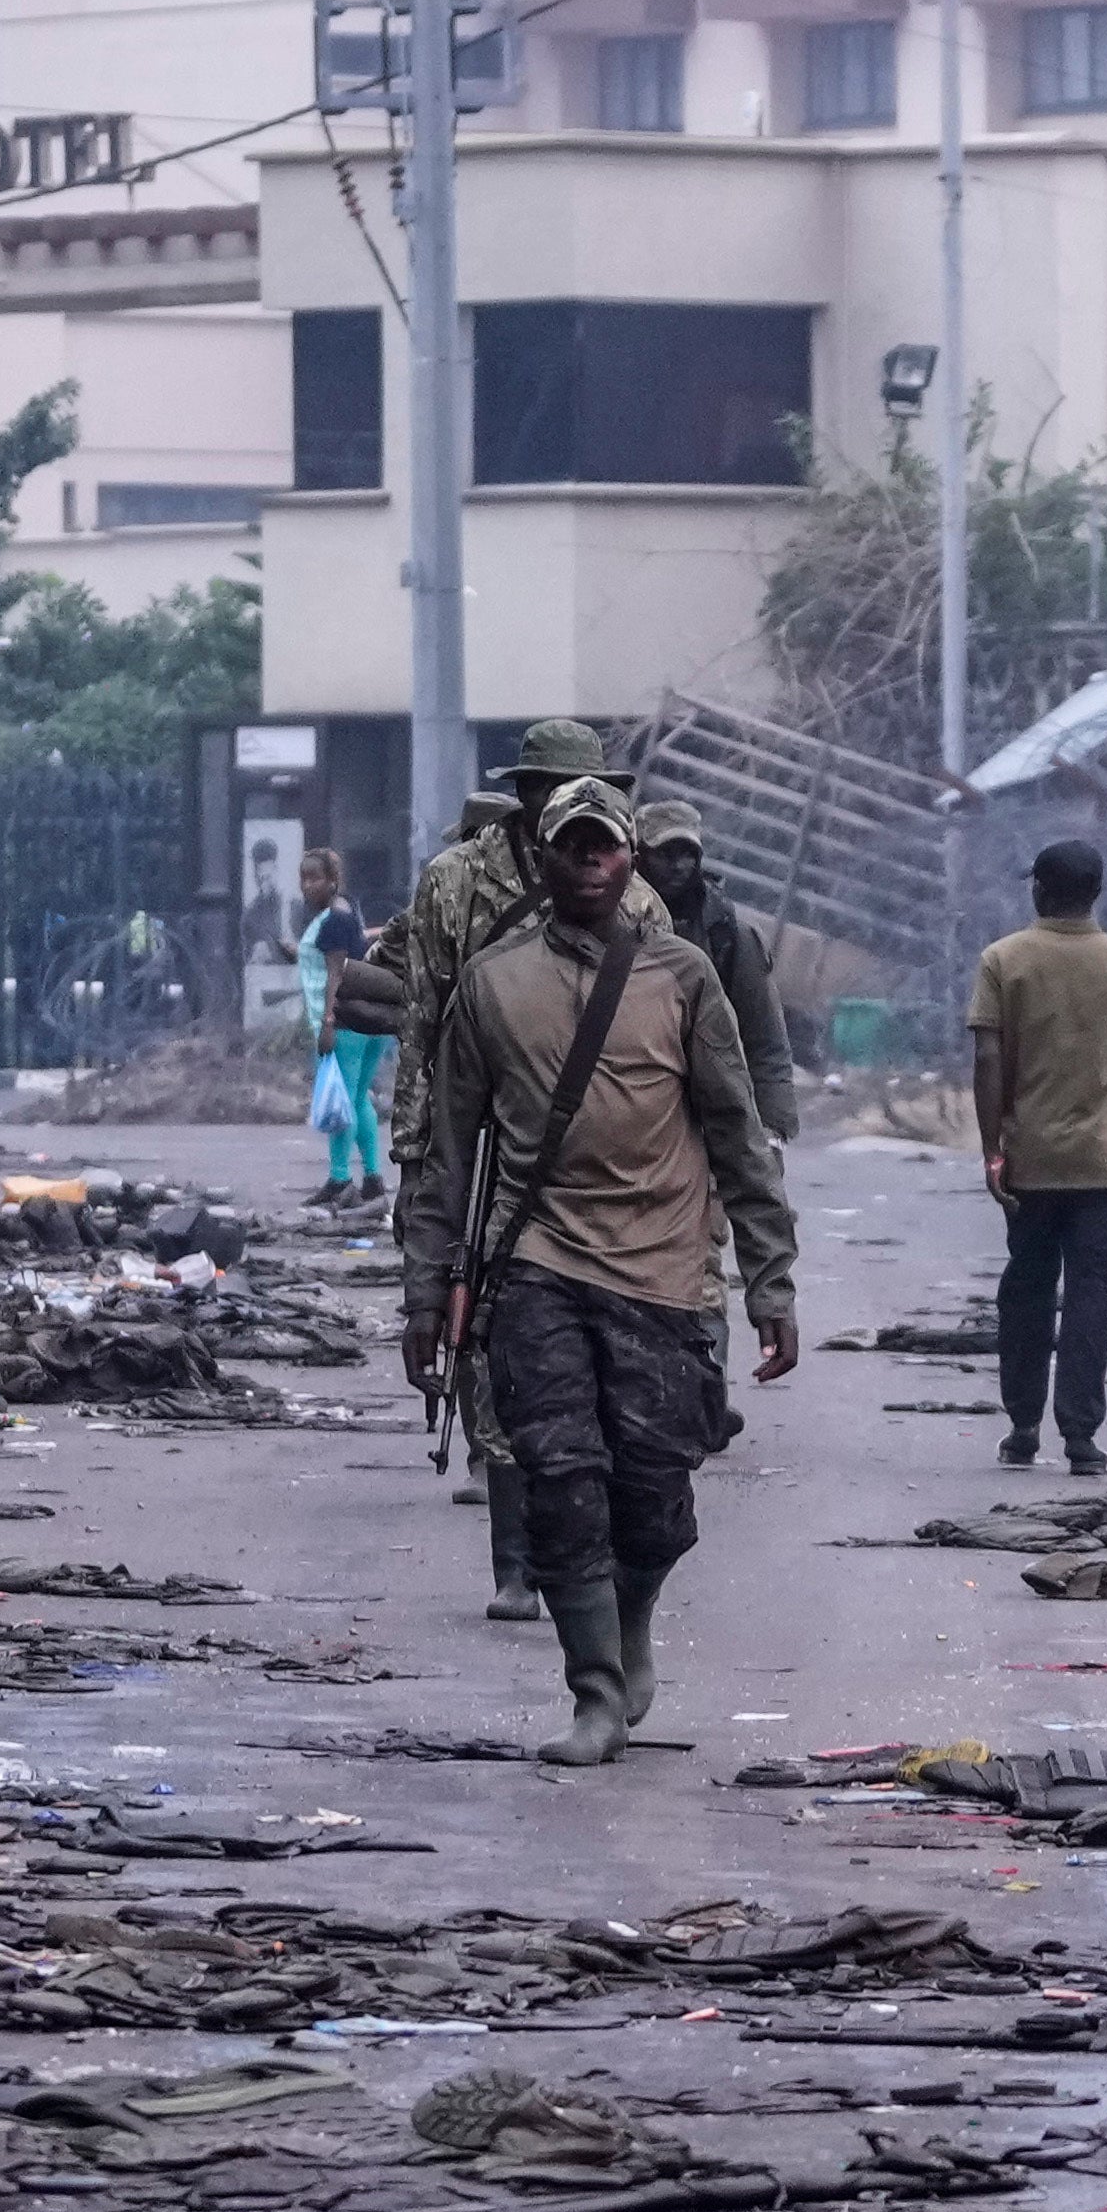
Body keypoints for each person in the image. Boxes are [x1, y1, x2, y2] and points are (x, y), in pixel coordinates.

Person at [402, 776, 799, 1766]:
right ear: (540, 856)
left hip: (665, 1271)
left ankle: (631, 1626)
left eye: (602, 846)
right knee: (559, 1473)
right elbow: (448, 1152)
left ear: (627, 859)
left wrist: (770, 1281)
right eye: (568, 845)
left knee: (653, 1493)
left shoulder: (681, 977)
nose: (586, 859)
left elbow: (736, 1132)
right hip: (539, 1262)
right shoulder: (491, 985)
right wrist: (424, 1292)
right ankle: (591, 1691)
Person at [349, 718, 675, 1618]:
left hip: (592, 1146)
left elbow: (663, 1025)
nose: (562, 811)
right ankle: (513, 1560)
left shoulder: (636, 897)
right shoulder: (455, 881)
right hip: (480, 1127)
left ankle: (580, 1540)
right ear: (526, 793)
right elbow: (423, 1023)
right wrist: (420, 1154)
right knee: (481, 1327)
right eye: (546, 794)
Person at [963, 835, 1107, 1474]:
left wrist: (992, 1148)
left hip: (1032, 1161)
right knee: (1092, 1293)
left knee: (1026, 1288)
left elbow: (989, 1059)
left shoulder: (1004, 960)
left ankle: (1022, 1426)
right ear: (1097, 892)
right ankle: (1081, 1436)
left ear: (1039, 890)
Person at [636, 800, 799, 1147]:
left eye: (688, 854)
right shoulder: (616, 928)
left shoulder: (731, 937)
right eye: (665, 854)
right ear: (639, 856)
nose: (679, 866)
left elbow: (765, 1038)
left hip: (712, 1117)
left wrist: (773, 1128)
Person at [294, 849, 384, 1205]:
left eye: (314, 878)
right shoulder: (346, 912)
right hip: (368, 1020)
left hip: (343, 1023)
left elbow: (337, 973)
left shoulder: (333, 919)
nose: (306, 886)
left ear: (332, 881)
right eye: (303, 878)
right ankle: (374, 1178)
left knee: (339, 1102)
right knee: (358, 1098)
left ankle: (339, 1179)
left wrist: (328, 1022)